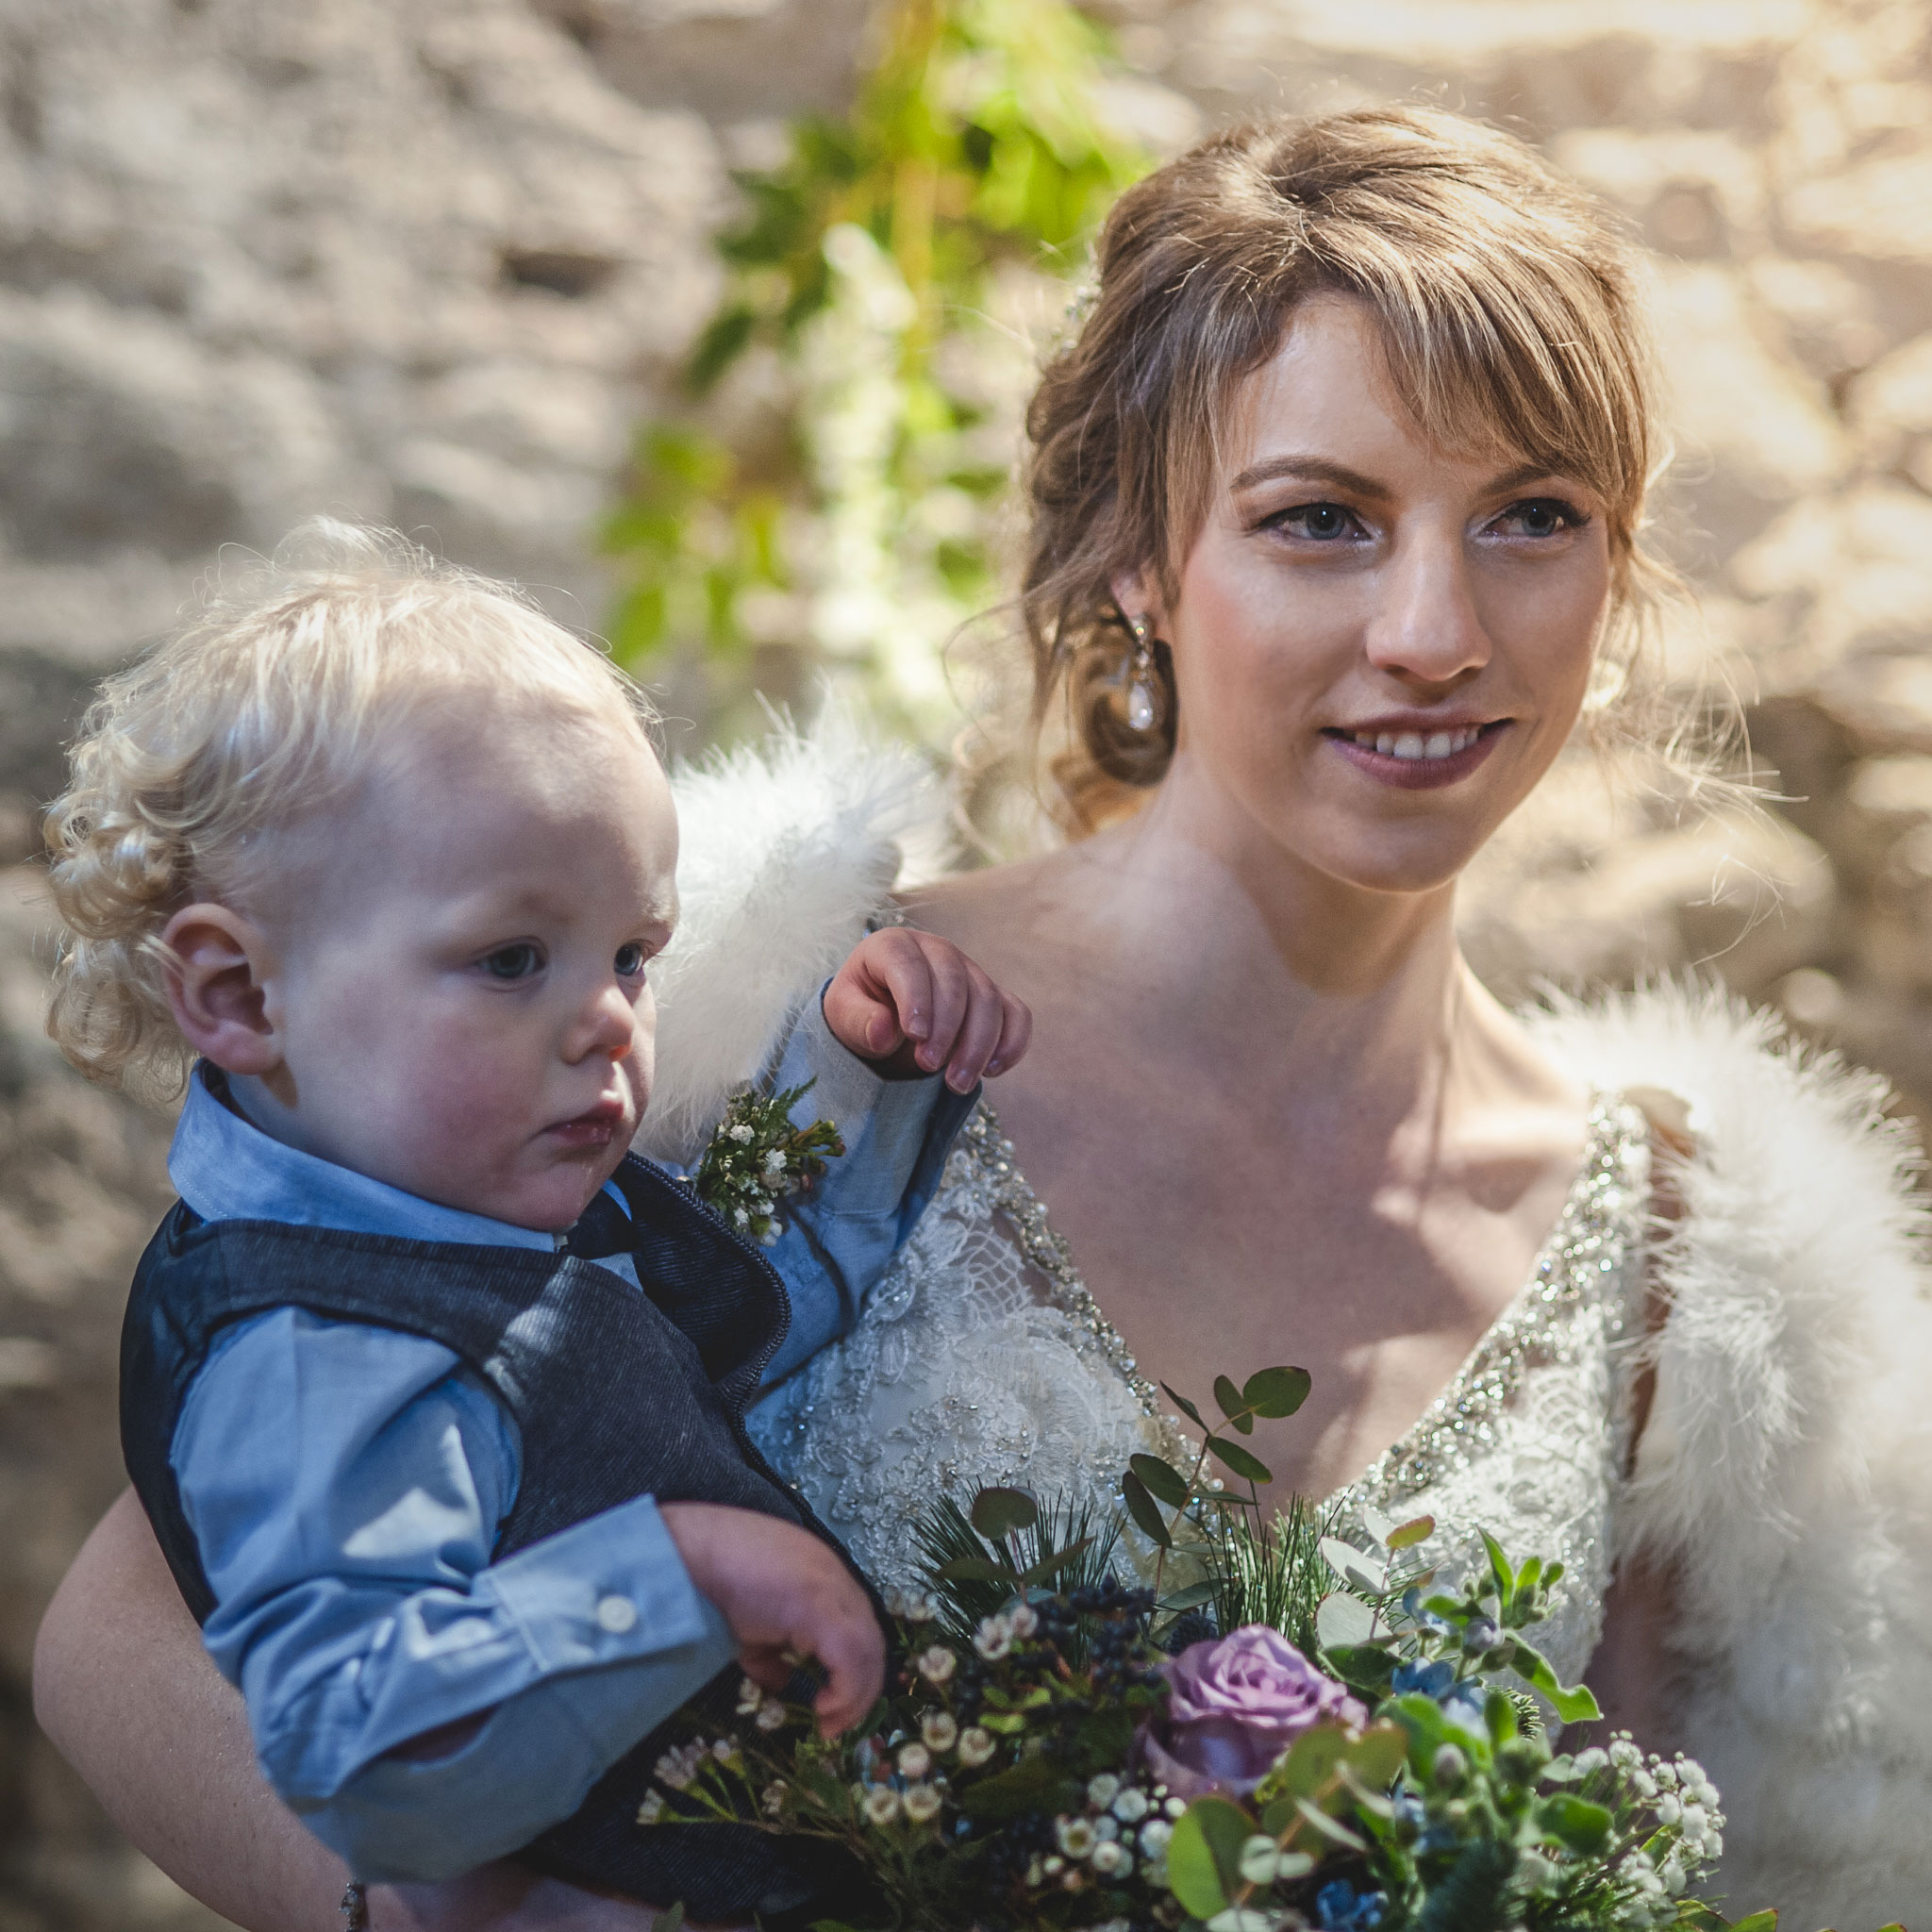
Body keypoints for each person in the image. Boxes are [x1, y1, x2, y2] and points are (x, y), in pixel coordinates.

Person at [34, 107, 1932, 1931]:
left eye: (1529, 516)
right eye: (1321, 520)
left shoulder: (1686, 1265)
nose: (1436, 628)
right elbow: (127, 1632)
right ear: (1137, 563)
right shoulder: (767, 1024)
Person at [35, 530, 1028, 1923]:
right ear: (243, 995)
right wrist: (669, 1575)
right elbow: (359, 1747)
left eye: (634, 953)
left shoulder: (470, 1205)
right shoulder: (319, 1344)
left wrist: (859, 1063)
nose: (611, 1019)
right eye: (513, 959)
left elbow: (738, 1319)